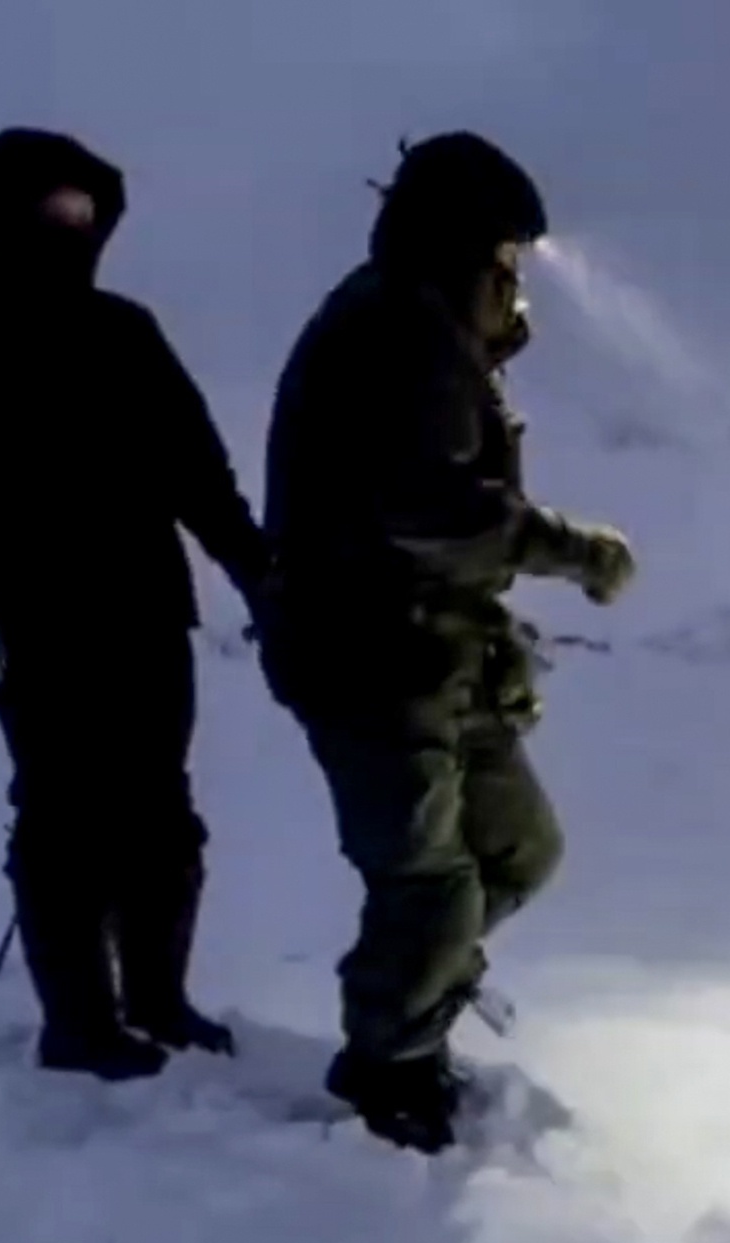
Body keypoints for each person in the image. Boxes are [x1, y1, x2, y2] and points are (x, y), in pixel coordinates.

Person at [0, 127, 273, 1079]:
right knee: (63, 809)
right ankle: (80, 1027)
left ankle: (158, 1001)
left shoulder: (125, 330)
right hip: (24, 614)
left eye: (89, 210)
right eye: (55, 205)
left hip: (145, 606)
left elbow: (196, 470)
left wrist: (258, 569)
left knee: (160, 808)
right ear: (2, 210)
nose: (75, 225)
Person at [258, 132, 636, 1154]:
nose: (517, 277)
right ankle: (389, 1078)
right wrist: (576, 551)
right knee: (429, 882)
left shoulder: (424, 329)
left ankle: (418, 1001)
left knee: (517, 850)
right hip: (367, 659)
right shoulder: (393, 331)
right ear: (464, 245)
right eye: (506, 255)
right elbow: (429, 510)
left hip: (436, 654)